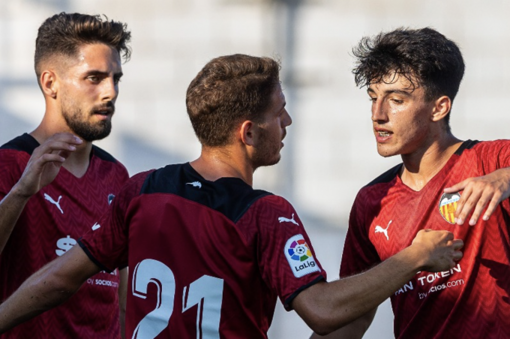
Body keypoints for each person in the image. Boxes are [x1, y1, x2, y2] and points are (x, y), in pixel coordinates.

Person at [0, 54, 463, 338]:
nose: (287, 124)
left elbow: (59, 279)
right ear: (248, 131)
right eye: (280, 112)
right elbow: (321, 311)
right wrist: (414, 256)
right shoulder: (265, 215)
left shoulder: (140, 189)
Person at [315, 28, 510, 339]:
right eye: (373, 98)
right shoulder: (371, 201)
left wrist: (504, 177)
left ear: (439, 107)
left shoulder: (492, 160)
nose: (378, 115)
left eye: (396, 99)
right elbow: (354, 315)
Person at [0, 12, 131, 338]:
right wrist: (20, 193)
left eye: (116, 79)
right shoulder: (9, 164)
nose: (110, 92)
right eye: (94, 78)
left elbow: (124, 297)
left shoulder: (117, 174)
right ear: (50, 83)